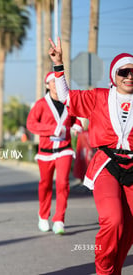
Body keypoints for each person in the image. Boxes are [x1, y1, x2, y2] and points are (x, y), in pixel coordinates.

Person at [49, 37, 133, 275]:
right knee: (113, 219)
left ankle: (114, 270)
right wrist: (58, 64)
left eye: (132, 72)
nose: (129, 76)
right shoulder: (98, 97)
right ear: (113, 75)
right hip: (107, 164)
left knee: (129, 229)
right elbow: (66, 97)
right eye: (123, 71)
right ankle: (103, 269)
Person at [26, 71, 82, 235]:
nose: (56, 86)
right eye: (53, 82)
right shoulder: (41, 104)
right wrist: (51, 129)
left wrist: (77, 124)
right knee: (45, 184)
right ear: (47, 85)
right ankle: (43, 216)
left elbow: (75, 115)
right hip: (45, 151)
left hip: (64, 149)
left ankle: (59, 220)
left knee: (63, 183)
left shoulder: (68, 102)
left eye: (59, 82)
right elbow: (31, 124)